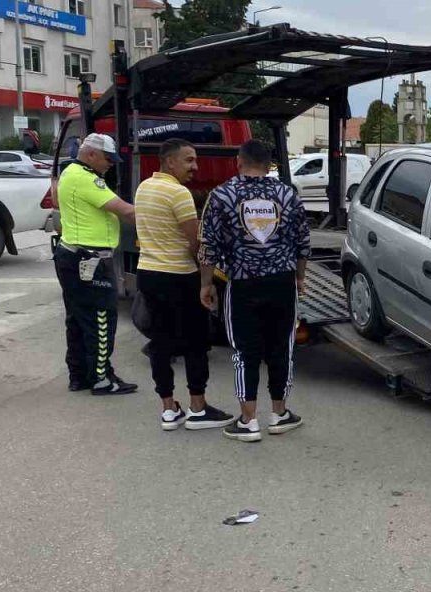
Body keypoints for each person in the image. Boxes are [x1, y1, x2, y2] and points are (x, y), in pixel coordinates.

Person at [199, 140, 310, 443]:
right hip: (282, 281)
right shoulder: (288, 194)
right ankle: (279, 414)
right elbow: (303, 242)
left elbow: (208, 245)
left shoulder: (222, 195)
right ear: (270, 164)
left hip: (243, 283)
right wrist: (299, 279)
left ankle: (248, 420)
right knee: (281, 347)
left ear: (239, 161)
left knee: (245, 351)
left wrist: (206, 283)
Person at [134, 138, 237, 431]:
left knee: (161, 341)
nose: (195, 166)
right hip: (179, 276)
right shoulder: (179, 194)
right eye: (189, 160)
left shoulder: (144, 187)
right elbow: (197, 244)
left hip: (148, 273)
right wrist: (208, 281)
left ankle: (168, 408)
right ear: (170, 162)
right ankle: (198, 407)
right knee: (195, 341)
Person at [55, 133, 139, 395]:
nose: (111, 164)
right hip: (89, 259)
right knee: (101, 317)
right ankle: (102, 378)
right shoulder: (85, 178)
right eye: (108, 158)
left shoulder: (71, 174)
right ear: (91, 154)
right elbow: (125, 211)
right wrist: (161, 217)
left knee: (79, 319)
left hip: (73, 255)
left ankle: (79, 375)